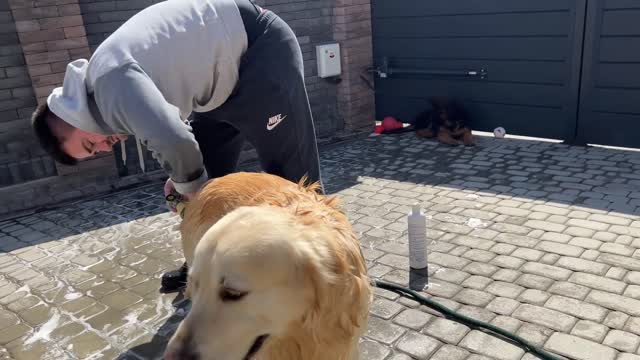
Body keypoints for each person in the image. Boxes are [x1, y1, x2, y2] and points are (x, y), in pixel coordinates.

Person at [30, 0, 323, 292]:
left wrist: (188, 183)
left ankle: (325, 272)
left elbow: (175, 142)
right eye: (96, 152)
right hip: (216, 87)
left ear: (71, 114)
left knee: (295, 179)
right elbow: (173, 135)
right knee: (204, 177)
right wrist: (182, 180)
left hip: (259, 52)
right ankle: (203, 265)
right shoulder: (104, 91)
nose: (104, 148)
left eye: (90, 145)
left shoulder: (109, 83)